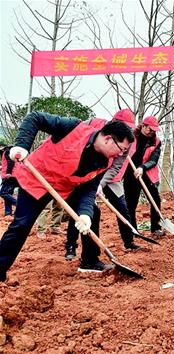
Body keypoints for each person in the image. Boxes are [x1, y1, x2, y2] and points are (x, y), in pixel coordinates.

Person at [0, 111, 134, 281]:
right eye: (121, 149)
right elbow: (35, 118)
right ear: (108, 139)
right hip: (37, 179)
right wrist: (22, 145)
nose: (120, 155)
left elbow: (89, 189)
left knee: (93, 212)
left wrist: (84, 214)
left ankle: (89, 261)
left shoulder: (105, 161)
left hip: (66, 186)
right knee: (21, 225)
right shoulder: (72, 127)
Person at [64, 109, 142, 260]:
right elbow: (76, 135)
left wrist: (100, 183)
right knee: (82, 211)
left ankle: (129, 241)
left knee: (122, 209)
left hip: (110, 178)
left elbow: (117, 165)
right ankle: (71, 245)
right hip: (86, 174)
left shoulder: (129, 140)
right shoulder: (94, 123)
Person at [123, 115, 164, 237]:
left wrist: (142, 167)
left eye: (154, 130)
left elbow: (154, 159)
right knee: (131, 203)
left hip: (147, 174)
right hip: (130, 174)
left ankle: (156, 227)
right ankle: (133, 229)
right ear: (143, 126)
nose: (152, 132)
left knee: (155, 200)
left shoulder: (156, 142)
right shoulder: (131, 137)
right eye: (149, 129)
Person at [0, 144, 19, 218]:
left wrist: (8, 172)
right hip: (14, 175)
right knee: (8, 194)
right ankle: (8, 213)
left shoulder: (8, 151)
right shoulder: (10, 150)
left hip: (9, 176)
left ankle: (19, 205)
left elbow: (11, 161)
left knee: (3, 193)